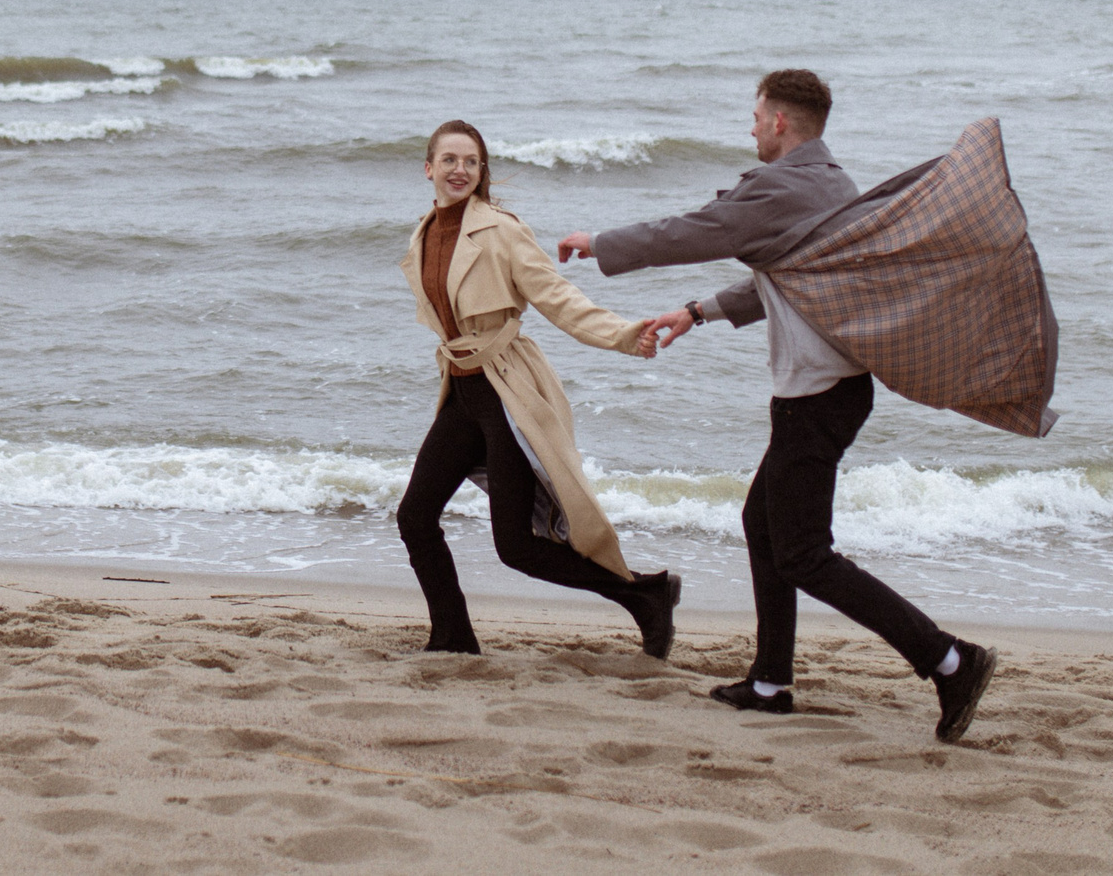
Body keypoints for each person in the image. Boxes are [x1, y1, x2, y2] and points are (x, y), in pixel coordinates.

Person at [558, 71, 999, 743]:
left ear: (780, 122)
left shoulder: (784, 187)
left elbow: (695, 230)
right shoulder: (829, 184)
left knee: (802, 552)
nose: (752, 125)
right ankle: (770, 681)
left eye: (756, 114)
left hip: (815, 394)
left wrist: (603, 243)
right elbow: (783, 276)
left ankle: (948, 659)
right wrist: (699, 311)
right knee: (763, 525)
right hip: (834, 389)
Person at [397, 119, 682, 658]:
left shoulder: (501, 231)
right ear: (429, 168)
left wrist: (624, 336)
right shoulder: (423, 232)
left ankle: (646, 595)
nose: (460, 170)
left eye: (472, 162)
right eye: (450, 160)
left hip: (506, 394)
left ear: (482, 173)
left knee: (517, 548)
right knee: (415, 516)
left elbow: (558, 298)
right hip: (461, 395)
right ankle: (453, 637)